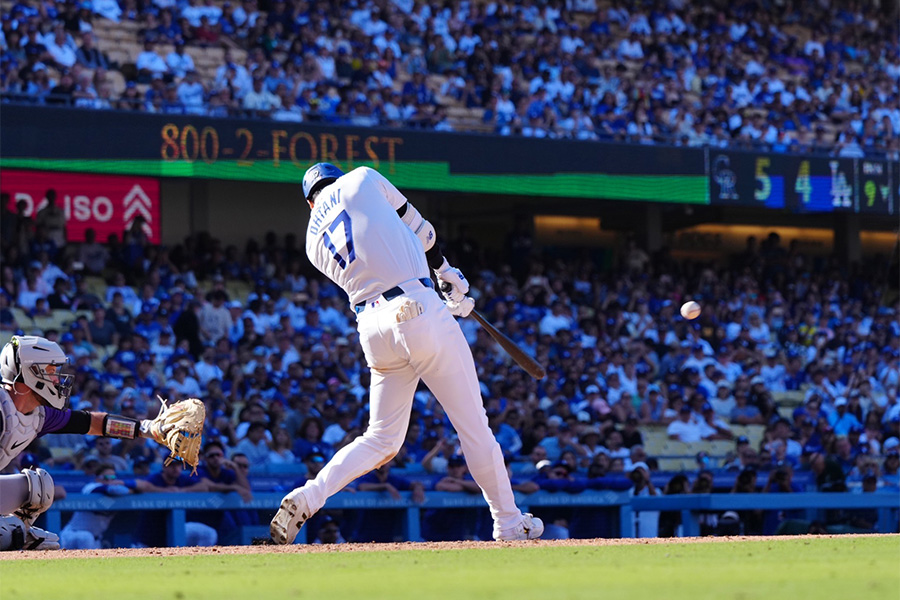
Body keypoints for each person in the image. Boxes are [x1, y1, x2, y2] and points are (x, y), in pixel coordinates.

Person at [270, 164, 543, 544]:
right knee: (474, 426)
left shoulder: (311, 243)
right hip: (416, 306)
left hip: (373, 327)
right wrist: (446, 273)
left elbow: (378, 257)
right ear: (336, 176)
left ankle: (309, 495)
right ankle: (509, 521)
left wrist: (437, 290)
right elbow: (422, 231)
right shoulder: (360, 177)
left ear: (309, 202)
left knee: (381, 438)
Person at [0, 335, 195, 551]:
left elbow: (94, 423)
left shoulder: (40, 416)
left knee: (40, 487)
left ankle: (16, 531)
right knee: (9, 535)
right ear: (30, 372)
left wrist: (147, 429)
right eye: (51, 371)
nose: (57, 379)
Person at [59, 462, 173, 549]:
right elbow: (113, 489)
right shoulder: (90, 487)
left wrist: (126, 485)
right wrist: (130, 490)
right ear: (98, 478)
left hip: (95, 538)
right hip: (72, 535)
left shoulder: (117, 490)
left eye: (113, 478)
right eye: (107, 478)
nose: (110, 481)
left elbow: (142, 486)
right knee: (86, 537)